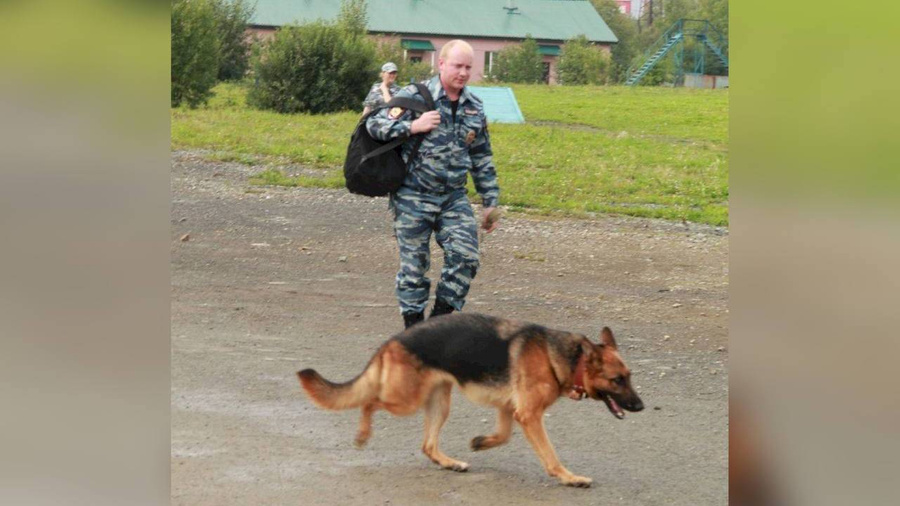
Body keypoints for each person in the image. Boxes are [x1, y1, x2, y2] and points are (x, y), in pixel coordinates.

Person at [366, 40, 500, 329]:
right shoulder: (416, 96)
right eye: (457, 66)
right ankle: (413, 333)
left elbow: (481, 155)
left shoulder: (474, 107)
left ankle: (436, 328)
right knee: (414, 270)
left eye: (468, 67)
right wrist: (412, 126)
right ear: (441, 64)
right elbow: (374, 124)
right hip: (413, 195)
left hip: (453, 197)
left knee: (465, 258)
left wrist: (490, 201)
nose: (463, 73)